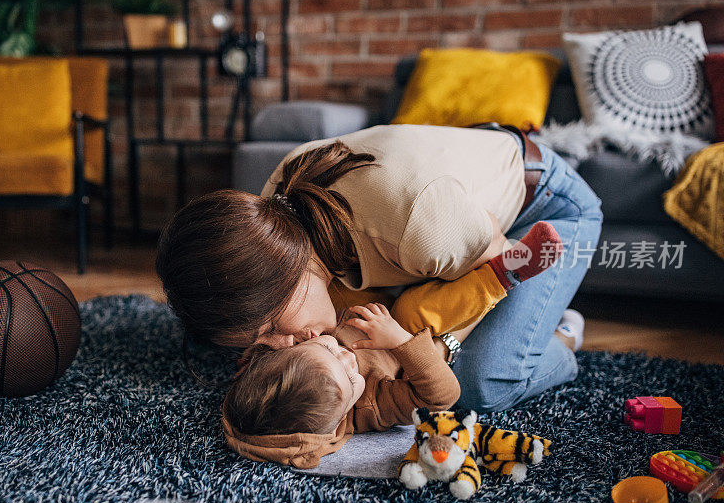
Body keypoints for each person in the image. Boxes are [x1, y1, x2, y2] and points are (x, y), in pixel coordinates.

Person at [156, 124, 603, 412]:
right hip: (444, 217)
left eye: (272, 327)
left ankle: (561, 335)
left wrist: (424, 350)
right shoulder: (273, 214)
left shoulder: (420, 225)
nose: (279, 347)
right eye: (257, 343)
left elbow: (504, 268)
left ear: (283, 268)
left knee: (478, 383)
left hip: (540, 215)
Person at [222, 224, 561, 468]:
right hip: (407, 333)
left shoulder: (287, 369)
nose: (346, 357)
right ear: (339, 420)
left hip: (365, 306)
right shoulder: (371, 406)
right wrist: (400, 341)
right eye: (350, 376)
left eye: (325, 350)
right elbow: (442, 397)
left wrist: (257, 359)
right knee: (417, 312)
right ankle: (508, 271)